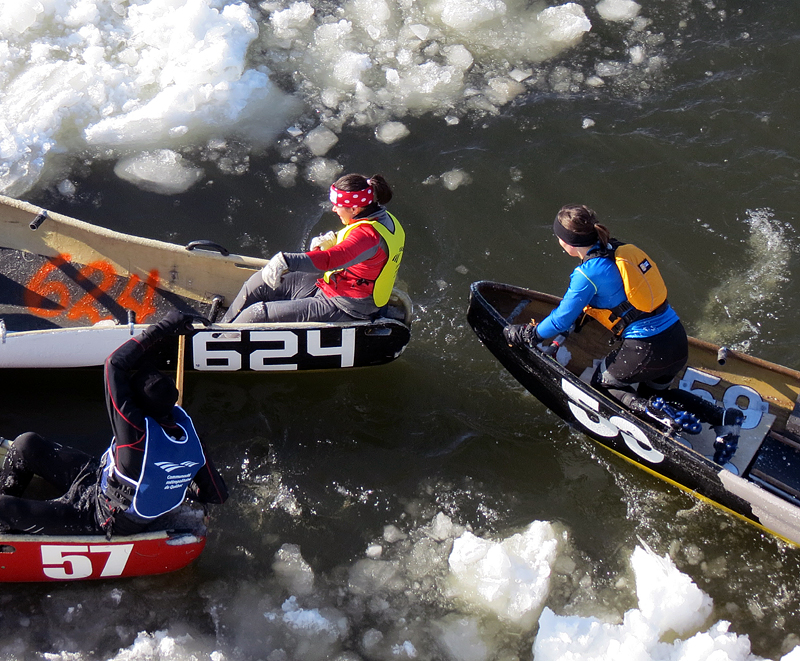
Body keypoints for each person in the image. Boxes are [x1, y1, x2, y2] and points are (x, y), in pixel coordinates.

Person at [504, 204, 742, 465]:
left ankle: (657, 415)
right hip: (676, 340)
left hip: (647, 350)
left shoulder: (586, 274)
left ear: (569, 243)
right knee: (655, 391)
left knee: (601, 387)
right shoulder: (620, 250)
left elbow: (561, 318)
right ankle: (722, 418)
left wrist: (530, 335)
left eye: (559, 237)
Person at [0, 311, 228, 536]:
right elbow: (217, 494)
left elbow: (114, 364)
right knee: (25, 444)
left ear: (139, 406)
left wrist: (164, 327)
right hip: (99, 479)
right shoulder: (190, 435)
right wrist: (179, 482)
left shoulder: (135, 434)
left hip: (103, 516)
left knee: (3, 509)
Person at [220, 173, 405, 323]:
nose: (334, 209)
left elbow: (330, 260)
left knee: (257, 314)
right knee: (258, 282)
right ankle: (220, 329)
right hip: (333, 284)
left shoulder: (367, 236)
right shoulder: (379, 217)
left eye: (338, 206)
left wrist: (286, 260)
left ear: (355, 209)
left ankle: (220, 345)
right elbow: (358, 249)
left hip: (348, 306)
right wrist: (333, 240)